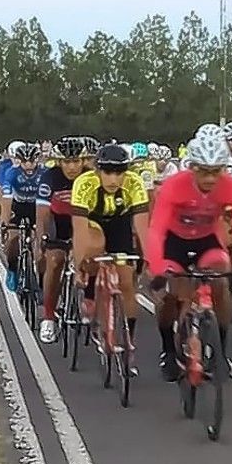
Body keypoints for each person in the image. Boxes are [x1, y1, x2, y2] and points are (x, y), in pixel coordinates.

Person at [146, 130, 232, 382]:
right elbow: (156, 230)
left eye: (216, 171)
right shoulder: (174, 186)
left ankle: (221, 351)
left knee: (221, 277)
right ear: (192, 167)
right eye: (204, 171)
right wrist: (156, 269)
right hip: (173, 242)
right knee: (170, 296)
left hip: (206, 242)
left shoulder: (231, 186)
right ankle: (168, 348)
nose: (210, 178)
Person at [71, 143, 149, 357]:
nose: (114, 179)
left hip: (119, 223)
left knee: (126, 281)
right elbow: (79, 230)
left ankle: (128, 339)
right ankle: (90, 291)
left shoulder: (135, 183)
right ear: (97, 171)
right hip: (92, 222)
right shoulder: (84, 183)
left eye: (119, 173)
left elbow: (142, 226)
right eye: (107, 172)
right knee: (94, 247)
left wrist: (148, 258)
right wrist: (79, 266)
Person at [36, 136, 93, 344]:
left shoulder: (91, 177)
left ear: (83, 161)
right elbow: (42, 213)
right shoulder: (49, 178)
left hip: (84, 223)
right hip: (58, 223)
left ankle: (90, 303)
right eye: (67, 162)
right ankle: (49, 317)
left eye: (76, 161)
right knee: (55, 261)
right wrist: (40, 240)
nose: (71, 167)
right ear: (59, 162)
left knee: (93, 258)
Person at [2, 143, 44, 292]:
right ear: (19, 161)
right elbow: (6, 200)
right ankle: (12, 269)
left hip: (36, 206)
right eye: (24, 161)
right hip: (17, 206)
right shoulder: (11, 173)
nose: (28, 165)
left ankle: (42, 280)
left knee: (41, 244)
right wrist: (5, 225)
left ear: (37, 160)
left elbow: (47, 203)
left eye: (31, 161)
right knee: (13, 239)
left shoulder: (44, 173)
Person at [0, 141, 25, 227]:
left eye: (20, 158)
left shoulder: (31, 165)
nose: (17, 160)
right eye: (14, 158)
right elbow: (0, 187)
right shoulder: (5, 166)